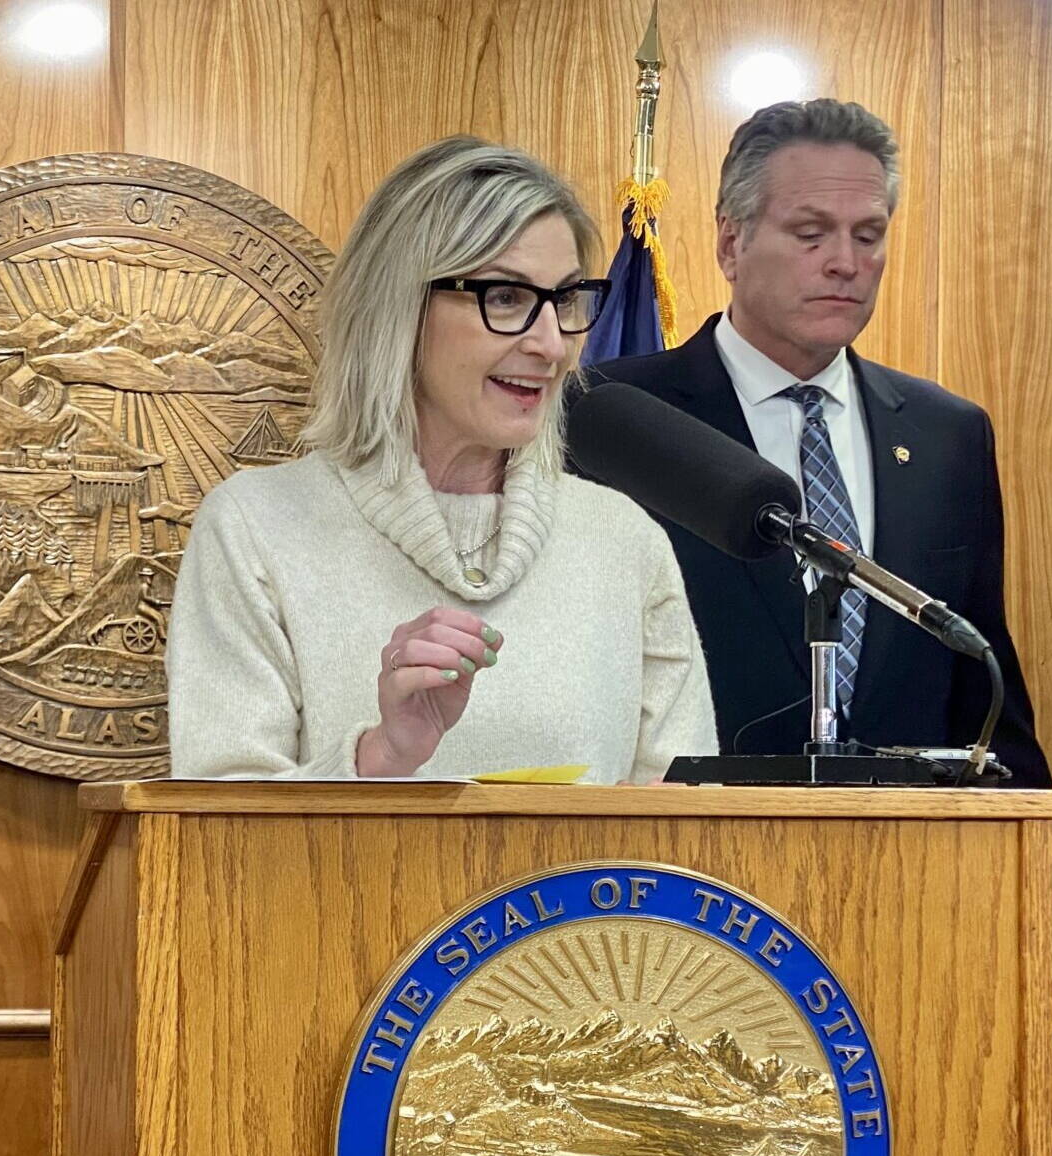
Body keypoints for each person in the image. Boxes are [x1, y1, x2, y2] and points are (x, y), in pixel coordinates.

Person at [579, 100, 1052, 1035]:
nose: (845, 261)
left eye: (868, 234)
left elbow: (988, 712)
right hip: (687, 926)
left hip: (909, 924)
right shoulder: (616, 420)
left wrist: (1041, 951)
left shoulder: (945, 436)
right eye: (810, 232)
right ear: (730, 242)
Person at [167, 137, 715, 782]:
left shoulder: (622, 540)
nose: (551, 344)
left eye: (567, 299)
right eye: (506, 298)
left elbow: (684, 834)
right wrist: (381, 760)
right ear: (397, 308)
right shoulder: (257, 527)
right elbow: (214, 836)